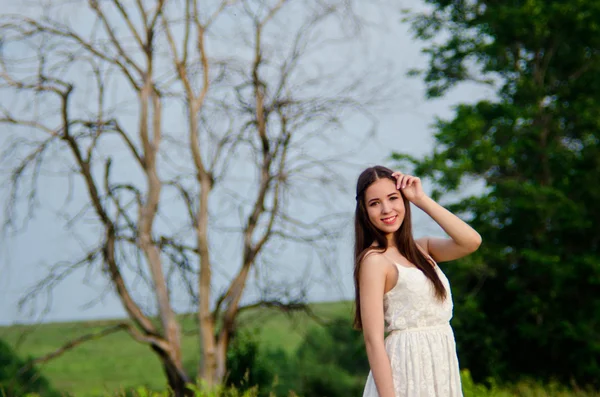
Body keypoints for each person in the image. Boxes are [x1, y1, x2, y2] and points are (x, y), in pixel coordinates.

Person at [355, 165, 481, 397]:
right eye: (375, 203)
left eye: (393, 198)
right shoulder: (374, 262)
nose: (386, 209)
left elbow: (471, 241)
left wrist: (421, 199)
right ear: (364, 211)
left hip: (440, 369)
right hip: (406, 373)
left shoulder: (422, 249)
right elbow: (373, 340)